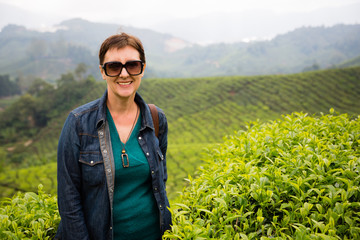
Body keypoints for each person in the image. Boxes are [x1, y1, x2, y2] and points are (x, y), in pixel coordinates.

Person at [56, 33, 171, 240]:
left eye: (133, 65)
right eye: (114, 67)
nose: (124, 74)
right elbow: (68, 199)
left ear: (142, 69)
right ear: (103, 72)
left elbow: (160, 180)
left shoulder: (156, 119)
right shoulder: (78, 123)